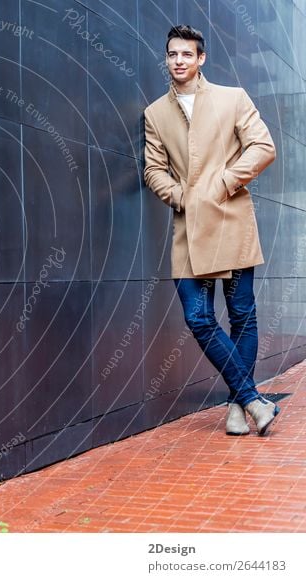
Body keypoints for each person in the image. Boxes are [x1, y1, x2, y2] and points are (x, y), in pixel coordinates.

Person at [143, 25, 279, 436]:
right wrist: (180, 197)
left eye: (186, 54)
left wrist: (222, 183)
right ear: (166, 59)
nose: (178, 61)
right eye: (172, 54)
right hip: (188, 229)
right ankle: (252, 398)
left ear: (201, 59)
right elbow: (153, 170)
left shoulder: (232, 98)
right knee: (198, 317)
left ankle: (240, 407)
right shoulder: (155, 113)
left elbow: (263, 147)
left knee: (241, 316)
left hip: (230, 221)